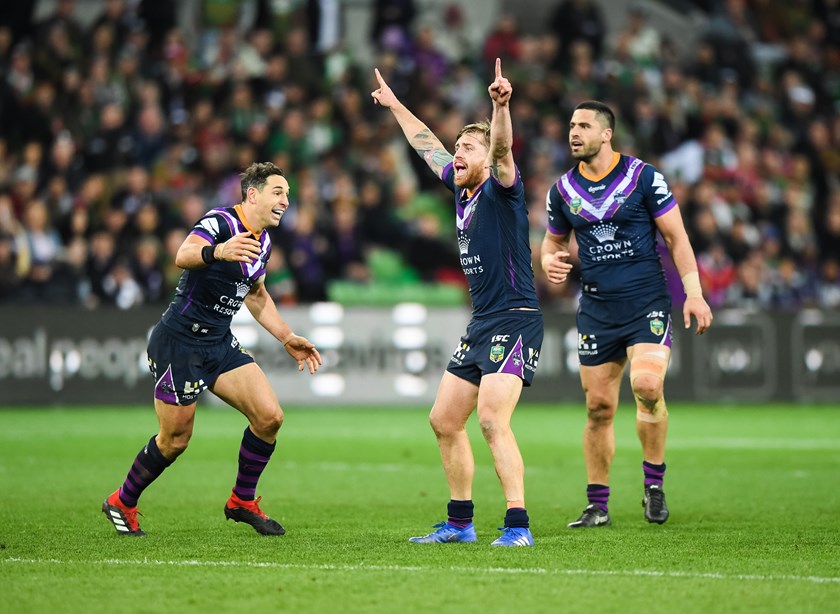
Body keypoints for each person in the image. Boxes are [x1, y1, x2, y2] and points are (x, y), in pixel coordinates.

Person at [372, 59, 543, 547]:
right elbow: (424, 141)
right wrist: (395, 105)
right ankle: (461, 523)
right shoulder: (459, 186)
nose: (458, 154)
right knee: (444, 420)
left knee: (491, 418)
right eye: (459, 148)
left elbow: (504, 147)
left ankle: (517, 526)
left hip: (517, 319)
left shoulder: (501, 189)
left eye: (468, 148)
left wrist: (499, 105)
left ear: (487, 160)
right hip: (483, 322)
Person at [102, 162, 321, 536]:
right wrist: (219, 251)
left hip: (218, 342)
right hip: (180, 343)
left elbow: (256, 294)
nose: (286, 200)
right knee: (175, 441)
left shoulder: (263, 241)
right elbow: (183, 255)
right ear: (253, 194)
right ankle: (122, 500)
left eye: (287, 193)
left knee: (269, 417)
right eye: (278, 192)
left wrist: (286, 337)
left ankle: (242, 501)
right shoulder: (220, 222)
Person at [541, 101, 713, 528]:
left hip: (646, 302)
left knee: (648, 385)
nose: (574, 132)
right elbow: (551, 243)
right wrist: (549, 260)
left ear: (606, 134)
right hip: (597, 309)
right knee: (599, 407)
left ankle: (653, 485)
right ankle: (597, 505)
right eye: (571, 125)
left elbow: (677, 237)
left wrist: (694, 293)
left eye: (584, 125)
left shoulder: (644, 178)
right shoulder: (562, 190)